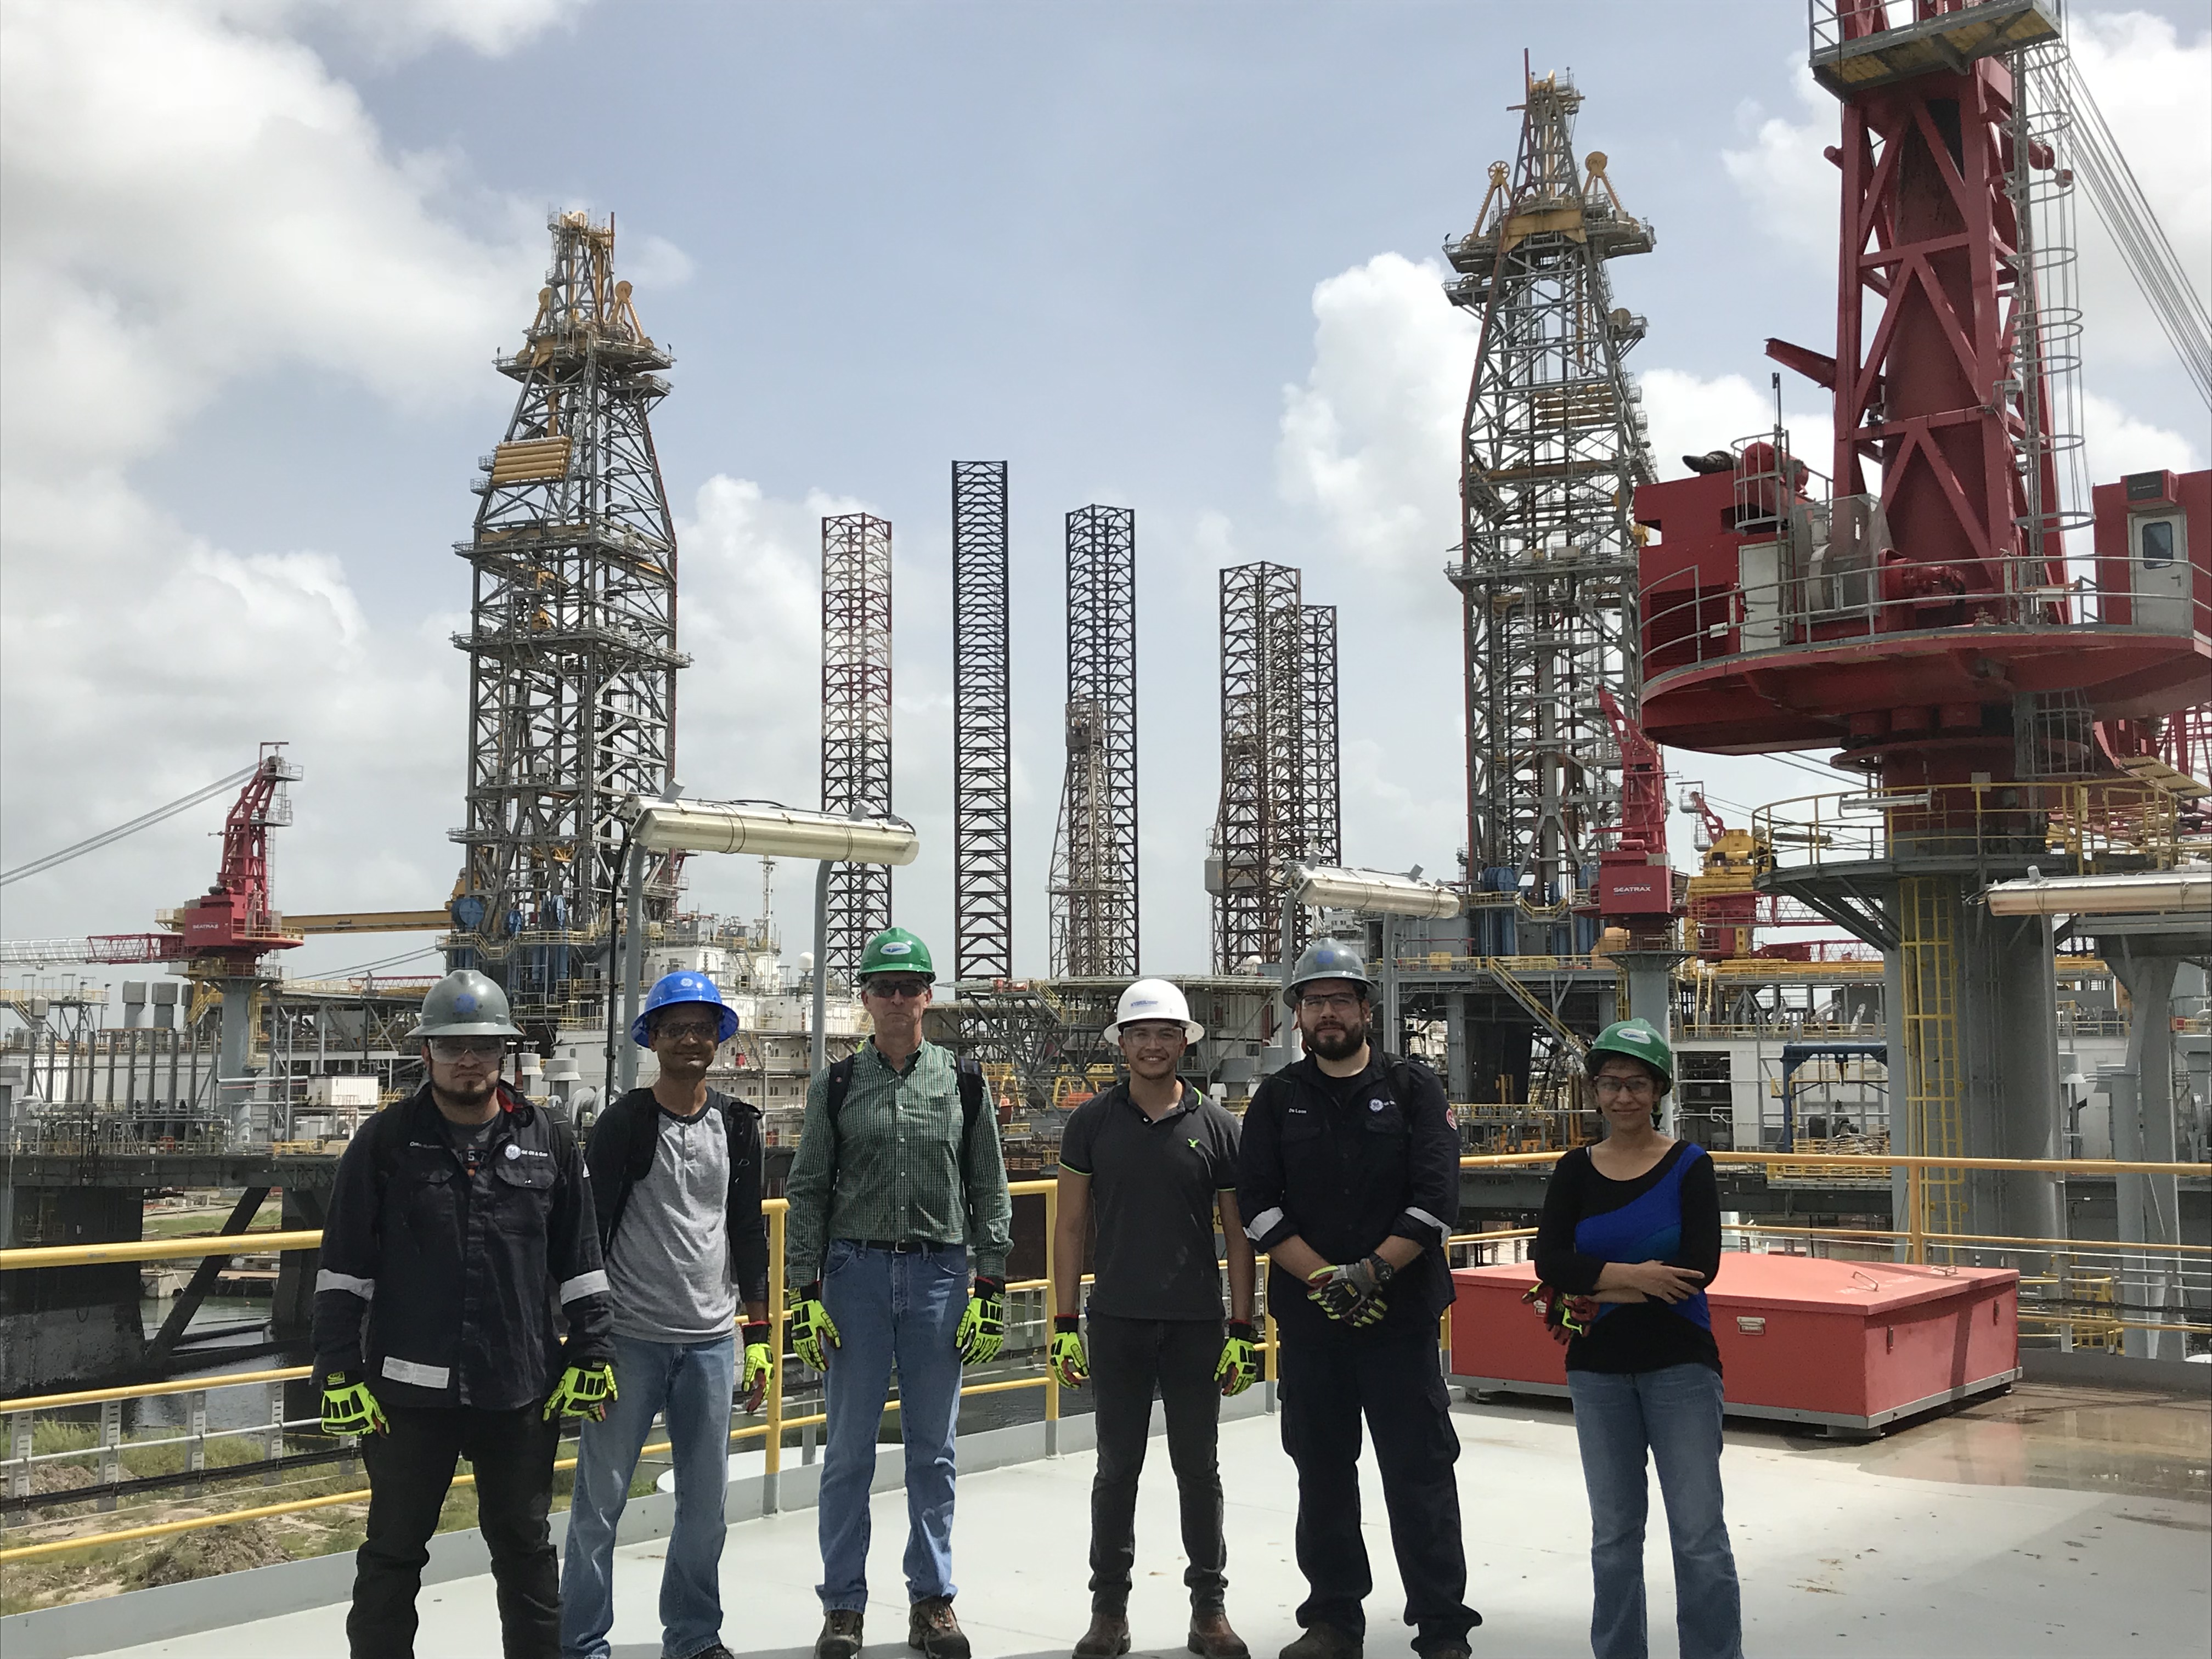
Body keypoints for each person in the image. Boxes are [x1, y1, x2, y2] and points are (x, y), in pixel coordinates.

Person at [313, 969, 615, 1659]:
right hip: (406, 1395)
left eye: (483, 1045)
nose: (469, 1060)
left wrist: (594, 1350)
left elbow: (582, 1262)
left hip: (519, 1386)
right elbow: (343, 1270)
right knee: (392, 1553)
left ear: (506, 1051)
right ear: (426, 1053)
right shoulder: (385, 1144)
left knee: (526, 1554)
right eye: (452, 1047)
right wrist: (336, 1371)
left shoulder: (551, 1142)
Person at [1237, 940, 1478, 1659]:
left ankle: (1441, 1627)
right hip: (1317, 1327)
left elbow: (1437, 1200)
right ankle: (1334, 1622)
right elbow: (1258, 1207)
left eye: (1341, 1000)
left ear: (1366, 1009)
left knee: (1420, 1473)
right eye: (1315, 1003)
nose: (1328, 1013)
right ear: (1298, 1018)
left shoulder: (1414, 1090)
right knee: (1324, 1472)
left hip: (1399, 1322)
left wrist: (1370, 1274)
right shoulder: (1277, 1100)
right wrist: (1328, 1282)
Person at [783, 927, 1013, 1659]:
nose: (897, 998)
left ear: (928, 995)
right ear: (866, 998)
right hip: (853, 1276)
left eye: (910, 986)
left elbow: (989, 1187)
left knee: (933, 1453)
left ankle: (932, 1600)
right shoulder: (838, 1084)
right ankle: (843, 1606)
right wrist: (802, 1290)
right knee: (848, 1452)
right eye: (884, 987)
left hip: (940, 1275)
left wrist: (992, 1283)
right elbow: (809, 1188)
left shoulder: (964, 1083)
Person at [559, 971, 774, 1659]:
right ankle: (583, 1643)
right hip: (630, 1340)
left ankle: (693, 1636)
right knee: (599, 1505)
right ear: (651, 1039)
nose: (689, 1040)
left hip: (711, 1342)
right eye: (674, 1028)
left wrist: (761, 1334)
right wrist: (585, 1340)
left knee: (705, 1509)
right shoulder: (625, 1123)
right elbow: (589, 1231)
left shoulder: (737, 1127)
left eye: (701, 1028)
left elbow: (746, 1232)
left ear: (719, 1039)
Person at [1051, 978, 1259, 1659]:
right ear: (1122, 1044)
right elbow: (1071, 1225)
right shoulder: (1092, 1122)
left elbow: (1236, 1237)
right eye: (1140, 1033)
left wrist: (1243, 1328)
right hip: (1117, 1321)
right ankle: (1108, 1612)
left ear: (1183, 1042)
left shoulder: (1218, 1126)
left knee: (1199, 1469)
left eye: (1164, 1033)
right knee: (1117, 1469)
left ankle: (1210, 1612)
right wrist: (1062, 1322)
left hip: (1197, 1323)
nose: (1152, 1044)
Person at [1532, 1019, 1742, 1659]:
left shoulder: (1689, 1166)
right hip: (1597, 1371)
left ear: (1659, 1091)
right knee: (1615, 1534)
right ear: (1595, 1092)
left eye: (1637, 1084)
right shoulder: (1574, 1170)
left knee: (1698, 1533)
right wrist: (1636, 1278)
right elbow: (1548, 1263)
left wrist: (1596, 1286)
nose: (1623, 1097)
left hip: (1680, 1366)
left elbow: (1698, 1270)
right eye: (1611, 1084)